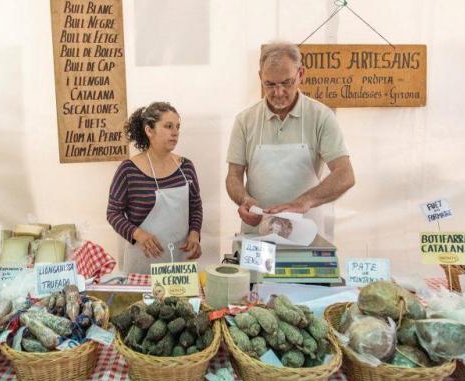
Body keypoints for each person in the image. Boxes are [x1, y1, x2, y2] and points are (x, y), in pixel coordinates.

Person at [225, 42, 355, 241]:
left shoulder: (321, 116)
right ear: (260, 77)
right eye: (270, 84)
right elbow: (233, 177)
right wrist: (244, 200)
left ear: (301, 74)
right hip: (257, 234)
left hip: (305, 234)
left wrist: (303, 202)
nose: (278, 92)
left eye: (286, 82)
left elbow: (345, 174)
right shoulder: (245, 120)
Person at [107, 102, 203, 274]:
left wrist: (194, 234)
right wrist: (139, 234)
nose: (175, 133)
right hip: (142, 265)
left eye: (177, 127)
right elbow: (113, 213)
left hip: (179, 266)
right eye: (168, 126)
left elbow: (195, 206)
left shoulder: (186, 167)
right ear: (149, 130)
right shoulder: (128, 170)